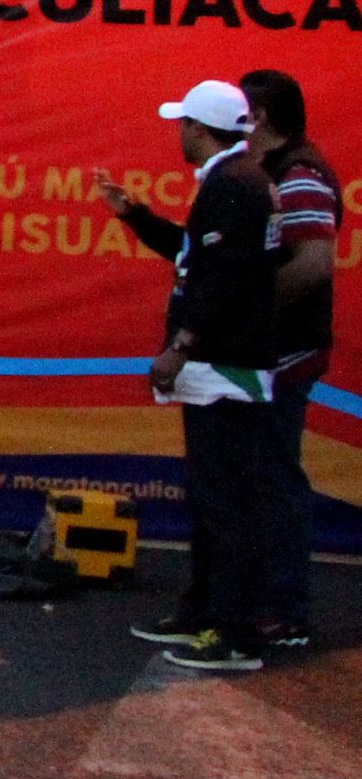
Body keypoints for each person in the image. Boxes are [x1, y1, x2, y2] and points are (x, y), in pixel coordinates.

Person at [101, 80, 293, 671]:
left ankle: (234, 632)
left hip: (225, 368)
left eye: (183, 123)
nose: (177, 132)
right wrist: (135, 215)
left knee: (228, 502)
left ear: (199, 128)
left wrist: (181, 346)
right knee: (216, 498)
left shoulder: (234, 185)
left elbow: (224, 280)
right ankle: (204, 612)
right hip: (224, 366)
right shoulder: (238, 181)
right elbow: (198, 256)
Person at [240, 69, 333, 648]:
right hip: (274, 351)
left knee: (275, 480)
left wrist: (251, 313)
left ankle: (286, 609)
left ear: (264, 118)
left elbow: (314, 261)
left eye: (243, 114)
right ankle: (269, 601)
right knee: (263, 478)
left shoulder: (299, 175)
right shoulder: (277, 172)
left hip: (285, 352)